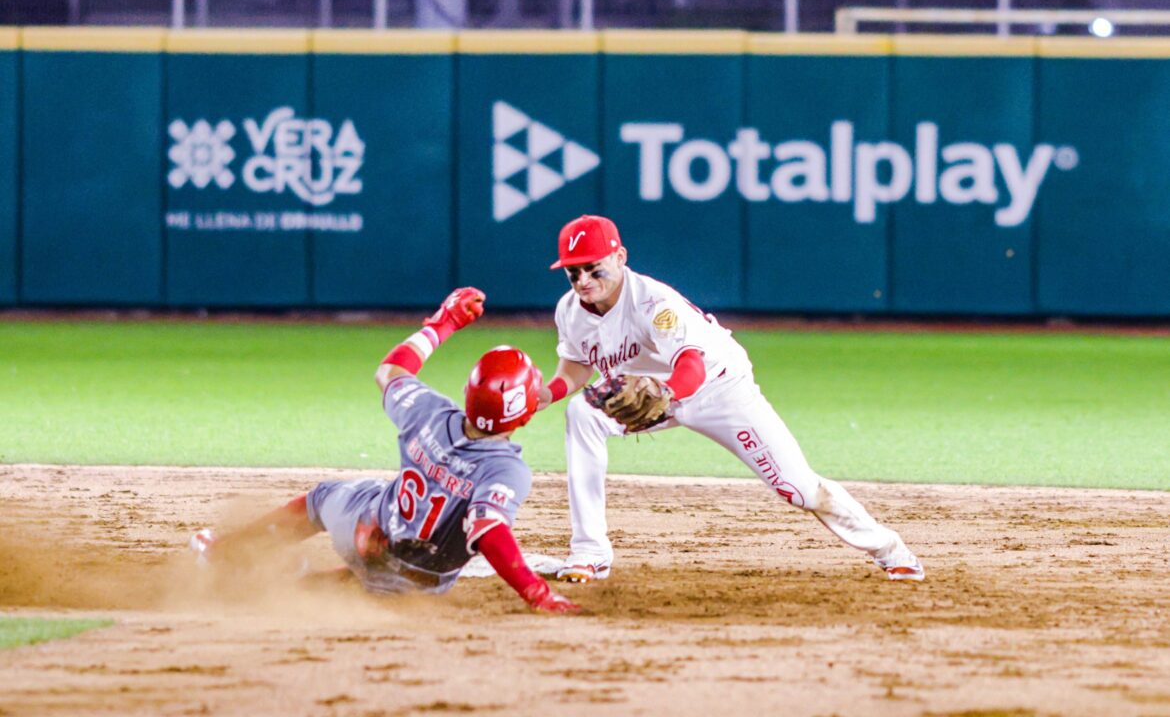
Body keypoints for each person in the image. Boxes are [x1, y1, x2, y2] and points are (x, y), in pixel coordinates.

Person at [537, 215, 923, 585]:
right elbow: (575, 366)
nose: (583, 280)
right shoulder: (569, 310)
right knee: (582, 412)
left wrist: (666, 394)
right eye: (574, 272)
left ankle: (889, 548)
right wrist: (545, 395)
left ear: (620, 258)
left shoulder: (653, 303)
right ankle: (590, 552)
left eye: (594, 268)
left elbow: (692, 364)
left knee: (799, 489)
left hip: (718, 386)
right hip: (648, 392)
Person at [189, 287, 579, 614]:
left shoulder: (429, 413)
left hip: (369, 531)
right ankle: (296, 587)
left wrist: (445, 323)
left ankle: (230, 556)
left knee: (322, 499)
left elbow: (390, 371)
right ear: (525, 415)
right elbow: (489, 531)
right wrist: (537, 593)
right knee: (381, 573)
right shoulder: (507, 471)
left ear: (468, 393)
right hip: (420, 585)